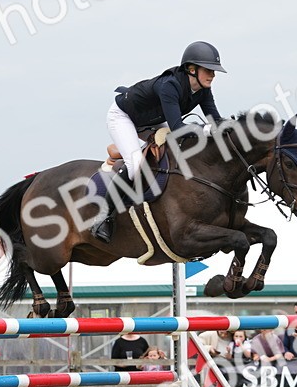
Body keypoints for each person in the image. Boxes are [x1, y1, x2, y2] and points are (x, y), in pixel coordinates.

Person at [91, 41, 227, 242]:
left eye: (214, 71)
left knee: (175, 152)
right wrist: (207, 129)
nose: (213, 75)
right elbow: (179, 129)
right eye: (208, 70)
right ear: (191, 69)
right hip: (123, 117)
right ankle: (103, 218)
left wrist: (233, 126)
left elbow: (215, 120)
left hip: (150, 120)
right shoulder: (170, 85)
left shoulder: (203, 90)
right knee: (135, 164)